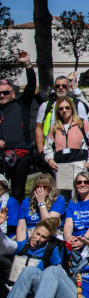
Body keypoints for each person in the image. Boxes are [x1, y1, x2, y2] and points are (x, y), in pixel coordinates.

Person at [0, 52, 37, 202]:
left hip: (20, 155)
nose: (1, 95)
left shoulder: (22, 104)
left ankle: (16, 225)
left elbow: (31, 86)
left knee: (18, 193)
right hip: (0, 156)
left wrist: (27, 65)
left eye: (5, 92)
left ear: (13, 93)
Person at [43, 97, 89, 179]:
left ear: (72, 108)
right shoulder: (54, 128)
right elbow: (48, 147)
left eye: (67, 107)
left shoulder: (83, 124)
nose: (64, 110)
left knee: (79, 190)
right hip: (60, 166)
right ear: (57, 111)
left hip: (79, 164)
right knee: (63, 191)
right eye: (61, 108)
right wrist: (50, 159)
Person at [63, 172, 89, 262]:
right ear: (75, 185)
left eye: (86, 182)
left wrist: (84, 239)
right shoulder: (72, 202)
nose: (82, 185)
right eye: (79, 182)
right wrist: (68, 237)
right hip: (76, 236)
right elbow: (68, 224)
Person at [17, 174, 66, 240]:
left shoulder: (59, 200)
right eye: (38, 188)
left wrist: (41, 202)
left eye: (45, 188)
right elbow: (21, 227)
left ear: (51, 188)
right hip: (30, 235)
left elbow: (49, 224)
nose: (41, 191)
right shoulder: (26, 202)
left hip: (49, 235)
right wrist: (21, 245)